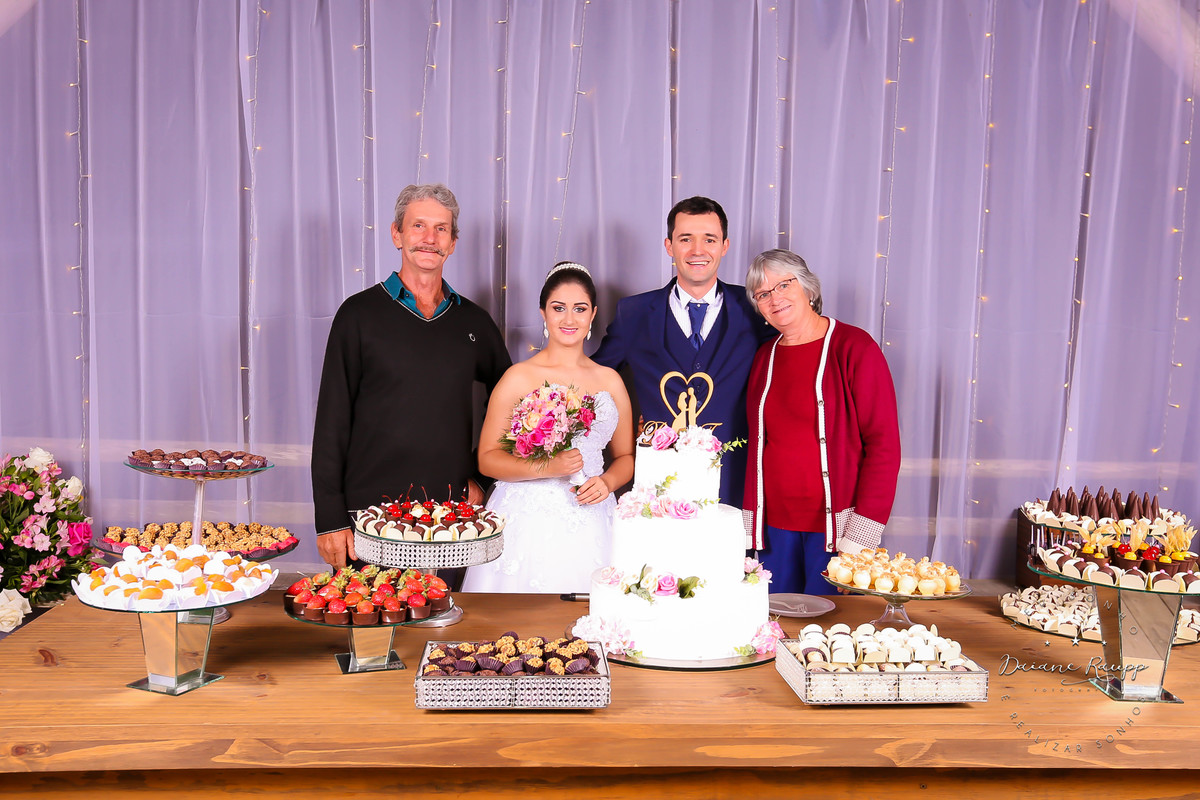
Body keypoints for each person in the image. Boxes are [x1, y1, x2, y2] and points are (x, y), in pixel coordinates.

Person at [311, 183, 511, 577]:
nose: (429, 239)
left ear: (452, 243)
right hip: (367, 519)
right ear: (396, 234)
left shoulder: (474, 322)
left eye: (441, 229)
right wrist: (330, 518)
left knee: (444, 616)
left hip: (450, 520)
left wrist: (483, 476)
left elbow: (513, 405)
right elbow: (331, 421)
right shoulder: (358, 315)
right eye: (418, 225)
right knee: (373, 617)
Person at [463, 262, 634, 593]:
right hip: (527, 518)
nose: (569, 319)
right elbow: (487, 459)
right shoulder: (518, 377)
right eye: (558, 308)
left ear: (593, 314)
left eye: (579, 309)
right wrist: (548, 466)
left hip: (594, 513)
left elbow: (625, 456)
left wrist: (607, 482)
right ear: (543, 312)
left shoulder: (610, 380)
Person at [592, 196, 771, 505]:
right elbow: (593, 379)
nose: (697, 250)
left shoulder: (756, 308)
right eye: (686, 239)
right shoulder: (633, 313)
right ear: (669, 246)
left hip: (737, 481)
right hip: (659, 483)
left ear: (725, 246)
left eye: (709, 239)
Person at [743, 249, 901, 594]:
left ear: (808, 288)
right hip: (773, 530)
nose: (775, 298)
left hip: (835, 531)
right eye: (763, 294)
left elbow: (884, 447)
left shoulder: (855, 347)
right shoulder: (764, 356)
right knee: (775, 619)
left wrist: (858, 540)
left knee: (831, 622)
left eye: (784, 285)